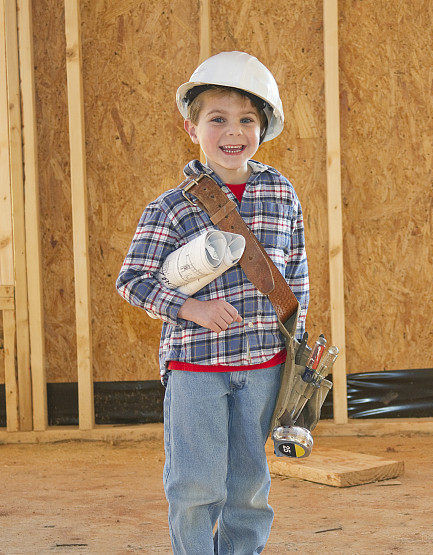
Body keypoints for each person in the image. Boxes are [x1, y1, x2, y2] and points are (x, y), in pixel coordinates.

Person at [116, 51, 309, 554]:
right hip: (195, 367)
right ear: (191, 127)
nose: (233, 131)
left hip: (263, 365)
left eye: (247, 119)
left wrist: (297, 355)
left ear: (263, 127)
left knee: (249, 490)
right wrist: (190, 307)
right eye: (217, 118)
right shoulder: (172, 206)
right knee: (196, 487)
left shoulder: (283, 194)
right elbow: (131, 280)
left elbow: (297, 279)